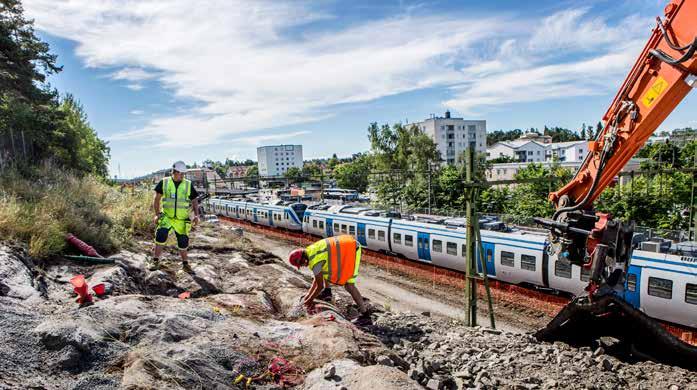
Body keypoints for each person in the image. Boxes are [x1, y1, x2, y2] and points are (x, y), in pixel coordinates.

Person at [288, 234, 367, 315]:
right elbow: (318, 278)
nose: (302, 266)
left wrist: (309, 300)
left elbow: (319, 285)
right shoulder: (310, 251)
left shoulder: (315, 262)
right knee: (325, 271)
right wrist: (308, 295)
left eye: (301, 264)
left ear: (303, 259)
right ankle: (327, 292)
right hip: (346, 245)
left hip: (351, 249)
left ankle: (365, 315)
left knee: (349, 285)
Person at [149, 161, 200, 271]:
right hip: (167, 217)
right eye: (181, 173)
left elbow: (194, 200)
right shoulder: (164, 182)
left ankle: (185, 264)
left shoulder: (187, 184)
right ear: (174, 172)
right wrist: (157, 214)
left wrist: (196, 215)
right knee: (160, 237)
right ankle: (155, 261)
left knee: (183, 242)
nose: (183, 176)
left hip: (182, 219)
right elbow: (156, 199)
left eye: (184, 174)